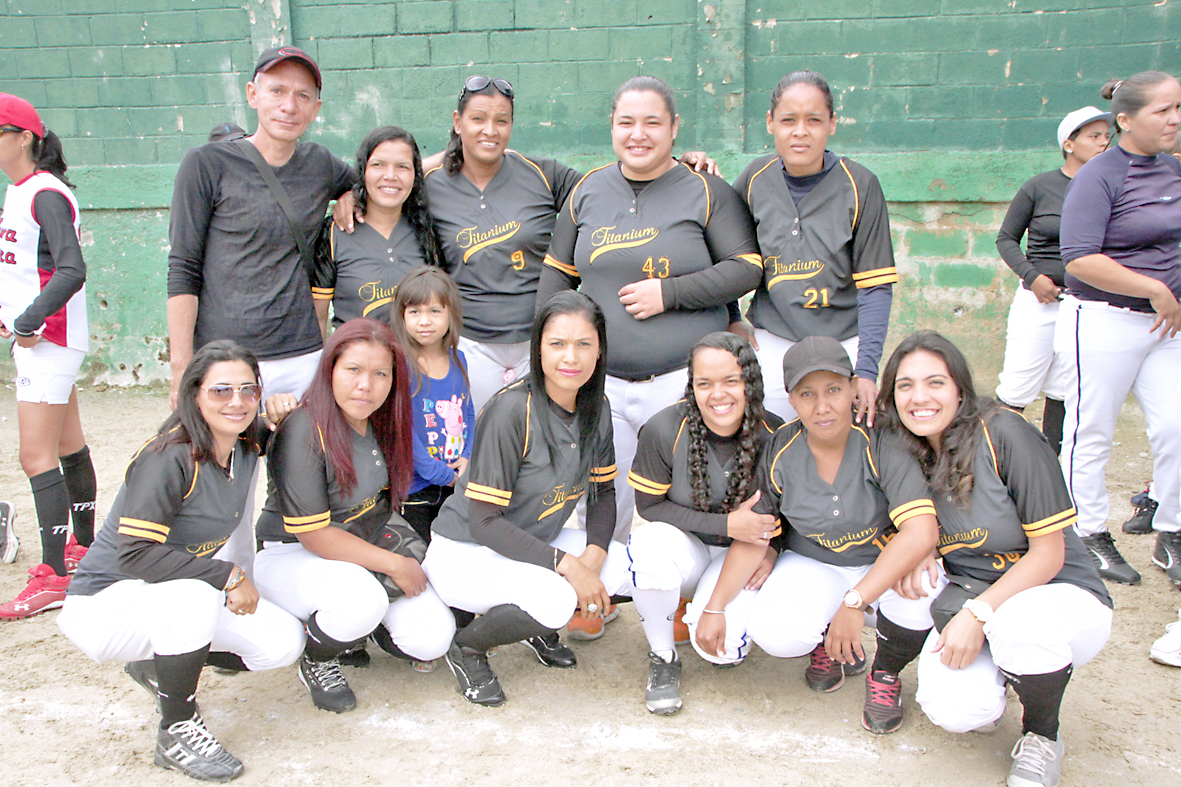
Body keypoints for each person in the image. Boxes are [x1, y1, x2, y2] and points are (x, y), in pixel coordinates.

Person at [537, 75, 763, 568]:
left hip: (682, 383)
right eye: (626, 122)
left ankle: (680, 597)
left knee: (688, 489)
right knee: (603, 490)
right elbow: (556, 276)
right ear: (612, 127)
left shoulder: (705, 190)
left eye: (652, 122)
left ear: (675, 127)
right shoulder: (587, 191)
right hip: (604, 382)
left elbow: (746, 266)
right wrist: (549, 352)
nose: (638, 133)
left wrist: (671, 292)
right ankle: (602, 591)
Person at [57, 341, 305, 783]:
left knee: (282, 642)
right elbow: (132, 554)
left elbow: (276, 430)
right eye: (221, 391)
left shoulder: (244, 443)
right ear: (194, 394)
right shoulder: (169, 456)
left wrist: (282, 412)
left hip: (161, 598)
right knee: (193, 594)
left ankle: (158, 667)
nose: (237, 401)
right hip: (103, 605)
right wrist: (228, 574)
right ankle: (176, 729)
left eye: (249, 390)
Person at [878, 330, 1112, 787]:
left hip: (1061, 595)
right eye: (905, 385)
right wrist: (917, 548)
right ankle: (1004, 677)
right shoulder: (906, 449)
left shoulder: (1004, 432)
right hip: (976, 598)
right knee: (952, 709)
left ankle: (1042, 736)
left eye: (935, 383)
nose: (919, 397)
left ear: (960, 389)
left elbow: (1049, 553)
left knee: (1019, 626)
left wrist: (980, 613)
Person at [689, 334, 939, 736]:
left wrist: (856, 603)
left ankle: (885, 672)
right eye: (807, 394)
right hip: (816, 562)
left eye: (834, 390)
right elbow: (756, 534)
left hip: (881, 561)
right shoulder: (781, 449)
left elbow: (920, 530)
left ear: (853, 387)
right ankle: (829, 642)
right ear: (790, 398)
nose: (822, 406)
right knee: (777, 633)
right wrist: (715, 607)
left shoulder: (882, 439)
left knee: (924, 587)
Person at [423, 291, 633, 706]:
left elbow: (603, 492)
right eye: (556, 343)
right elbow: (483, 523)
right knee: (557, 599)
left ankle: (531, 623)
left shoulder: (597, 406)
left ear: (600, 350)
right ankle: (467, 647)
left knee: (626, 564)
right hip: (465, 553)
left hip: (528, 544)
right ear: (537, 349)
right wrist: (568, 565)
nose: (570, 357)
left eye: (583, 344)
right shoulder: (511, 410)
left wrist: (592, 554)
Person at [253, 318, 456, 713]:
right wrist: (394, 564)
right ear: (330, 368)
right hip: (291, 552)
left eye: (380, 373)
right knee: (360, 602)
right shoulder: (302, 428)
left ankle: (360, 629)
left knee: (431, 638)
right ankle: (318, 656)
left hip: (358, 540)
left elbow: (380, 507)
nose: (366, 384)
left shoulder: (380, 421)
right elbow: (314, 536)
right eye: (353, 370)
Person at [167, 46, 355, 407]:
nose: (289, 106)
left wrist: (351, 193)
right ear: (253, 94)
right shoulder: (206, 163)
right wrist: (181, 367)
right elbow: (183, 267)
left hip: (300, 355)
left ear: (316, 109)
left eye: (303, 96)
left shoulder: (320, 164)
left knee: (303, 461)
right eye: (277, 91)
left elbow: (384, 178)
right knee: (230, 463)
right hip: (226, 357)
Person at [1056, 71, 1181, 587]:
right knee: (1091, 431)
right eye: (1163, 111)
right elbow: (1079, 258)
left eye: (1178, 108)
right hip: (1103, 320)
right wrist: (1153, 287)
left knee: (1176, 426)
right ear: (1125, 121)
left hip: (1166, 326)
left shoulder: (1173, 169)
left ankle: (1171, 531)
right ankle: (1084, 535)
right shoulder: (1100, 175)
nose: (1175, 119)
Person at [625, 332, 783, 714]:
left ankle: (706, 612)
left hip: (744, 558)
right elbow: (649, 506)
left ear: (751, 381)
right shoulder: (665, 427)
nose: (718, 394)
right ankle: (662, 656)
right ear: (690, 385)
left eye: (731, 380)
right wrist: (728, 525)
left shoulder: (776, 433)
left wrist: (775, 549)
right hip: (690, 551)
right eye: (704, 383)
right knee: (648, 547)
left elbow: (792, 513)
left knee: (722, 649)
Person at [733, 70, 896, 425]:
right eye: (788, 120)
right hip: (773, 340)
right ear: (770, 122)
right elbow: (726, 259)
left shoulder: (860, 184)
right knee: (768, 443)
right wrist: (732, 315)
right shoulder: (754, 179)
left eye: (814, 120)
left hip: (843, 341)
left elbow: (876, 287)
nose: (800, 131)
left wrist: (866, 370)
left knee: (842, 445)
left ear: (832, 124)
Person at [0, 93, 97, 618]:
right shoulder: (22, 192)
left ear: (24, 137)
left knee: (33, 456)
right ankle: (80, 548)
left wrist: (29, 318)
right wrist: (12, 311)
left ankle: (54, 574)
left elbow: (70, 268)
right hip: (42, 338)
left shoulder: (45, 193)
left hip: (49, 340)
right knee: (66, 444)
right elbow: (26, 265)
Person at [994, 107, 1112, 457]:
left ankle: (1053, 470)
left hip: (1086, 305)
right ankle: (992, 460)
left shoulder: (1110, 188)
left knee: (1065, 390)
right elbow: (1005, 239)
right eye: (1094, 136)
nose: (1104, 142)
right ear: (1069, 144)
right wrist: (1033, 277)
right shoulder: (1039, 187)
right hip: (1039, 303)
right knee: (1017, 386)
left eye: (1108, 135)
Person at [311, 126, 444, 332]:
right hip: (361, 360)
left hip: (417, 361)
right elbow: (318, 319)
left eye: (402, 167)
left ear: (415, 175)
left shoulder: (427, 228)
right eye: (378, 165)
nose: (390, 176)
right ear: (363, 171)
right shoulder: (335, 231)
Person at [388, 267, 474, 542]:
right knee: (422, 560)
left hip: (455, 480)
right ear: (402, 316)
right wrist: (439, 473)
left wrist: (467, 457)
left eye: (435, 311)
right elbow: (402, 431)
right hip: (416, 491)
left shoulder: (458, 359)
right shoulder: (401, 365)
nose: (424, 321)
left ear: (451, 314)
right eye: (415, 312)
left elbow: (467, 413)